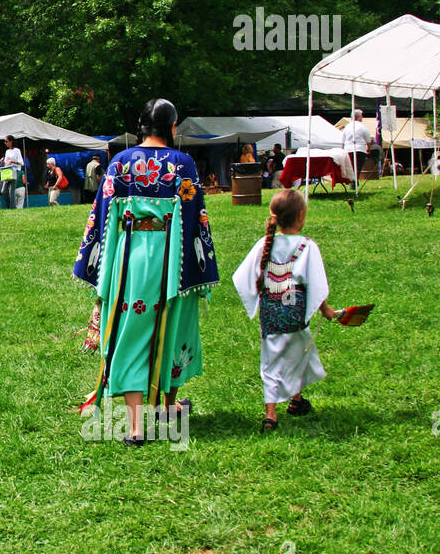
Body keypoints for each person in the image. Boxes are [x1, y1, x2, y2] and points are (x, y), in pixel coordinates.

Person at [72, 98, 220, 446]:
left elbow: (102, 215)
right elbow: (196, 217)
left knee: (130, 331)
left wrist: (96, 263)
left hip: (130, 260)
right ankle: (167, 405)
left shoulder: (120, 163)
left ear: (141, 127)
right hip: (171, 262)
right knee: (174, 326)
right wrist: (201, 267)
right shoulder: (183, 164)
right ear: (172, 127)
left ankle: (137, 427)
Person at [232, 188, 338, 433]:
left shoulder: (265, 244)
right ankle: (296, 400)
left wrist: (259, 295)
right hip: (296, 314)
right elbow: (315, 282)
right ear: (301, 216)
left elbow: (243, 276)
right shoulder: (307, 246)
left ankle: (272, 413)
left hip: (271, 315)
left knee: (271, 359)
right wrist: (324, 309)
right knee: (299, 352)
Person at [343, 109, 372, 181]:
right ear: (359, 117)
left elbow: (343, 139)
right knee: (358, 167)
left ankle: (353, 181)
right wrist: (368, 148)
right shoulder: (363, 127)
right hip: (360, 149)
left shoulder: (347, 127)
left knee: (351, 167)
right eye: (361, 116)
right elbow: (368, 140)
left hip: (348, 149)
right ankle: (354, 182)